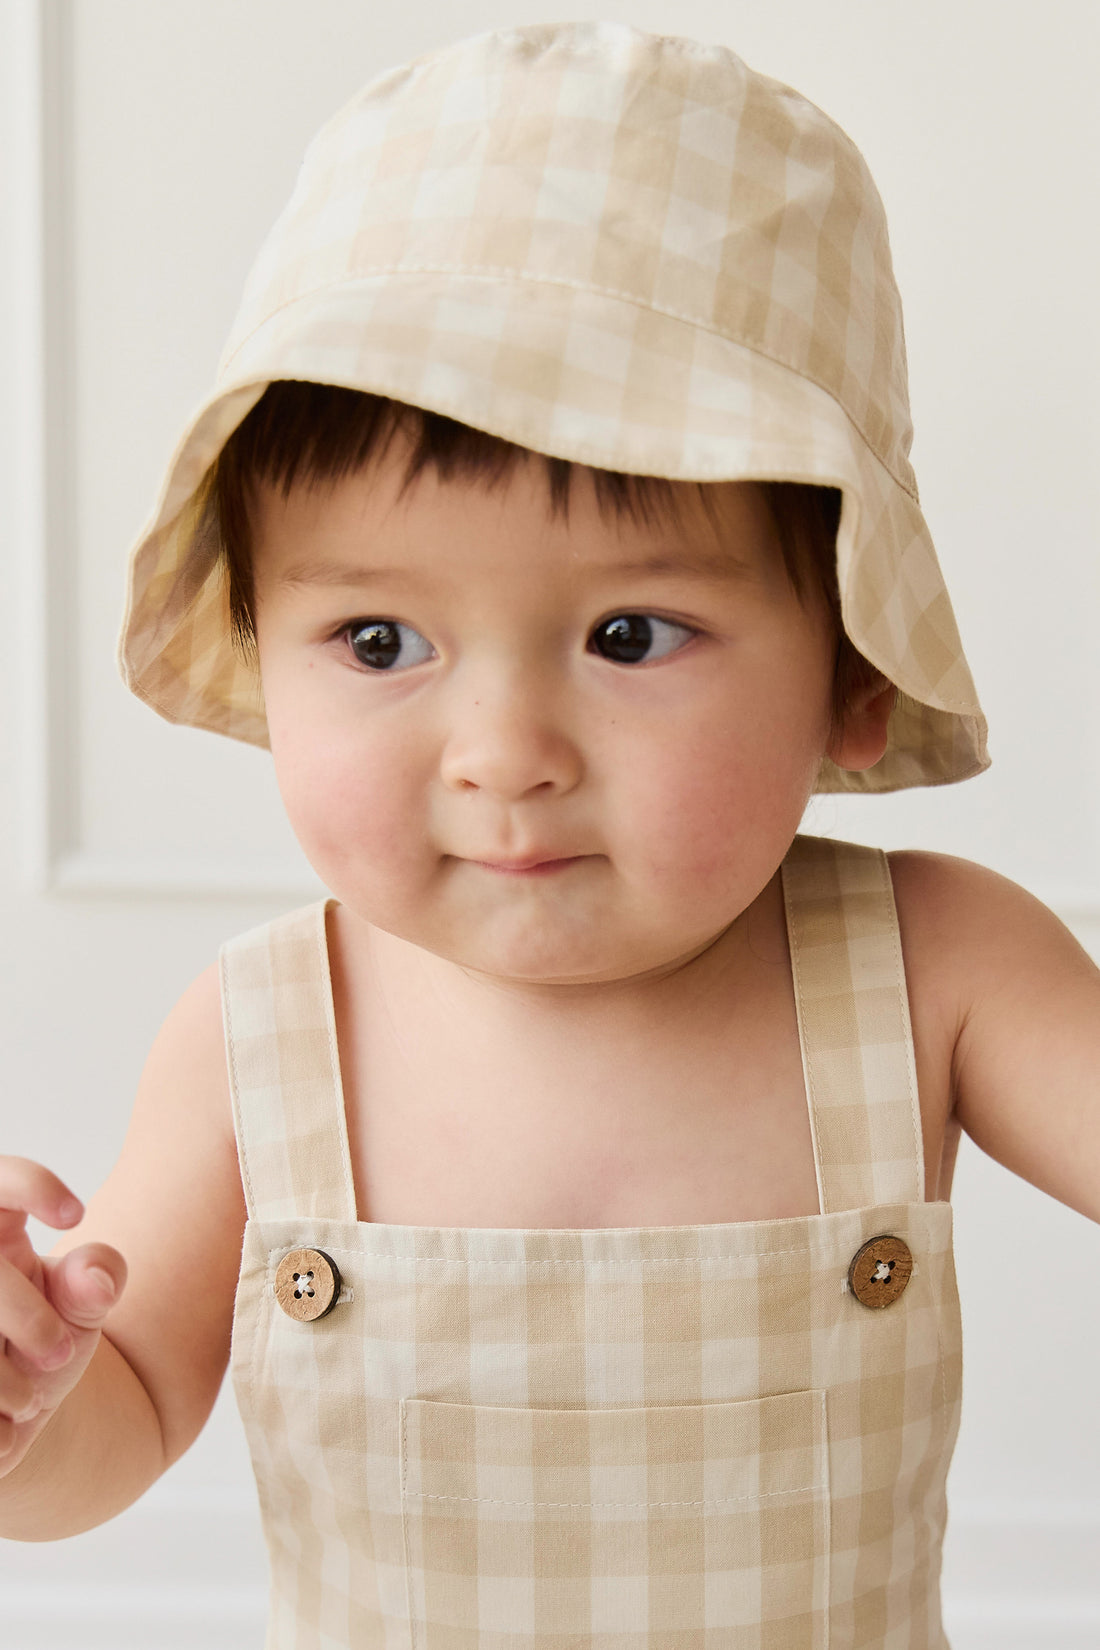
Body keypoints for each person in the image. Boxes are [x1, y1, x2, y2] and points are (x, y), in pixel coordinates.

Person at [1, 20, 1096, 1647]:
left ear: (854, 670)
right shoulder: (262, 1031)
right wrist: (27, 1395)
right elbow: (124, 1413)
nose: (504, 758)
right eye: (380, 642)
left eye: (632, 634)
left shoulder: (939, 966)